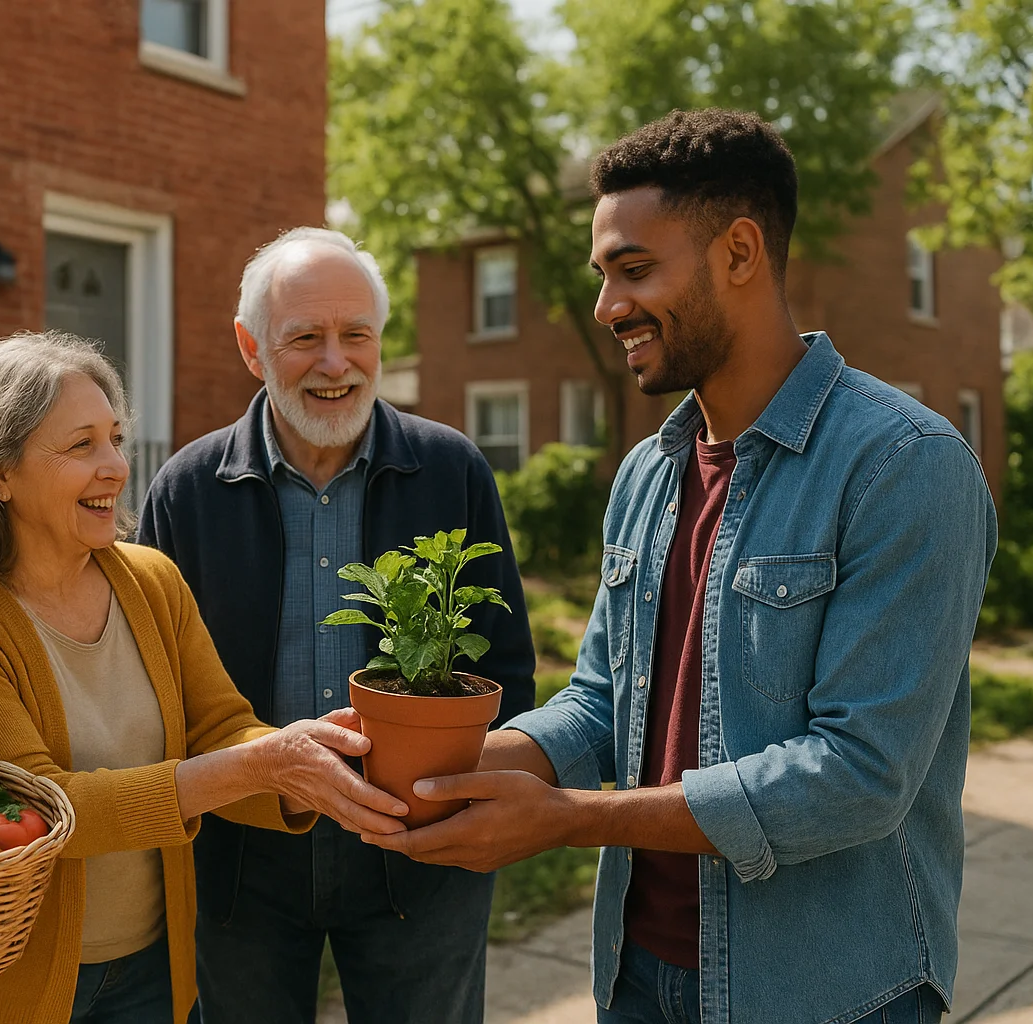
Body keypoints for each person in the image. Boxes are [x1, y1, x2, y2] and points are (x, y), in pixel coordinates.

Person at [363, 110, 997, 1024]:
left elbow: (858, 775)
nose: (606, 306)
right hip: (638, 974)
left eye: (634, 269)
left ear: (740, 252)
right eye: (604, 276)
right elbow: (601, 703)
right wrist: (433, 767)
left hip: (830, 990)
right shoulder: (648, 472)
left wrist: (572, 819)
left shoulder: (904, 464)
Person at [0, 330, 408, 1024]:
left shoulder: (150, 580)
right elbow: (44, 808)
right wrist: (263, 765)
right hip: (12, 986)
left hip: (152, 972)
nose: (115, 465)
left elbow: (220, 727)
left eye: (115, 438)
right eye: (82, 446)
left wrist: (305, 758)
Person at [135, 227, 538, 1024]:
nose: (335, 362)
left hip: (421, 856)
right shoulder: (188, 489)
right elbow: (149, 686)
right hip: (242, 865)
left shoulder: (451, 470)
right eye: (305, 338)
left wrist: (476, 803)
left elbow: (510, 672)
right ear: (252, 348)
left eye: (356, 335)